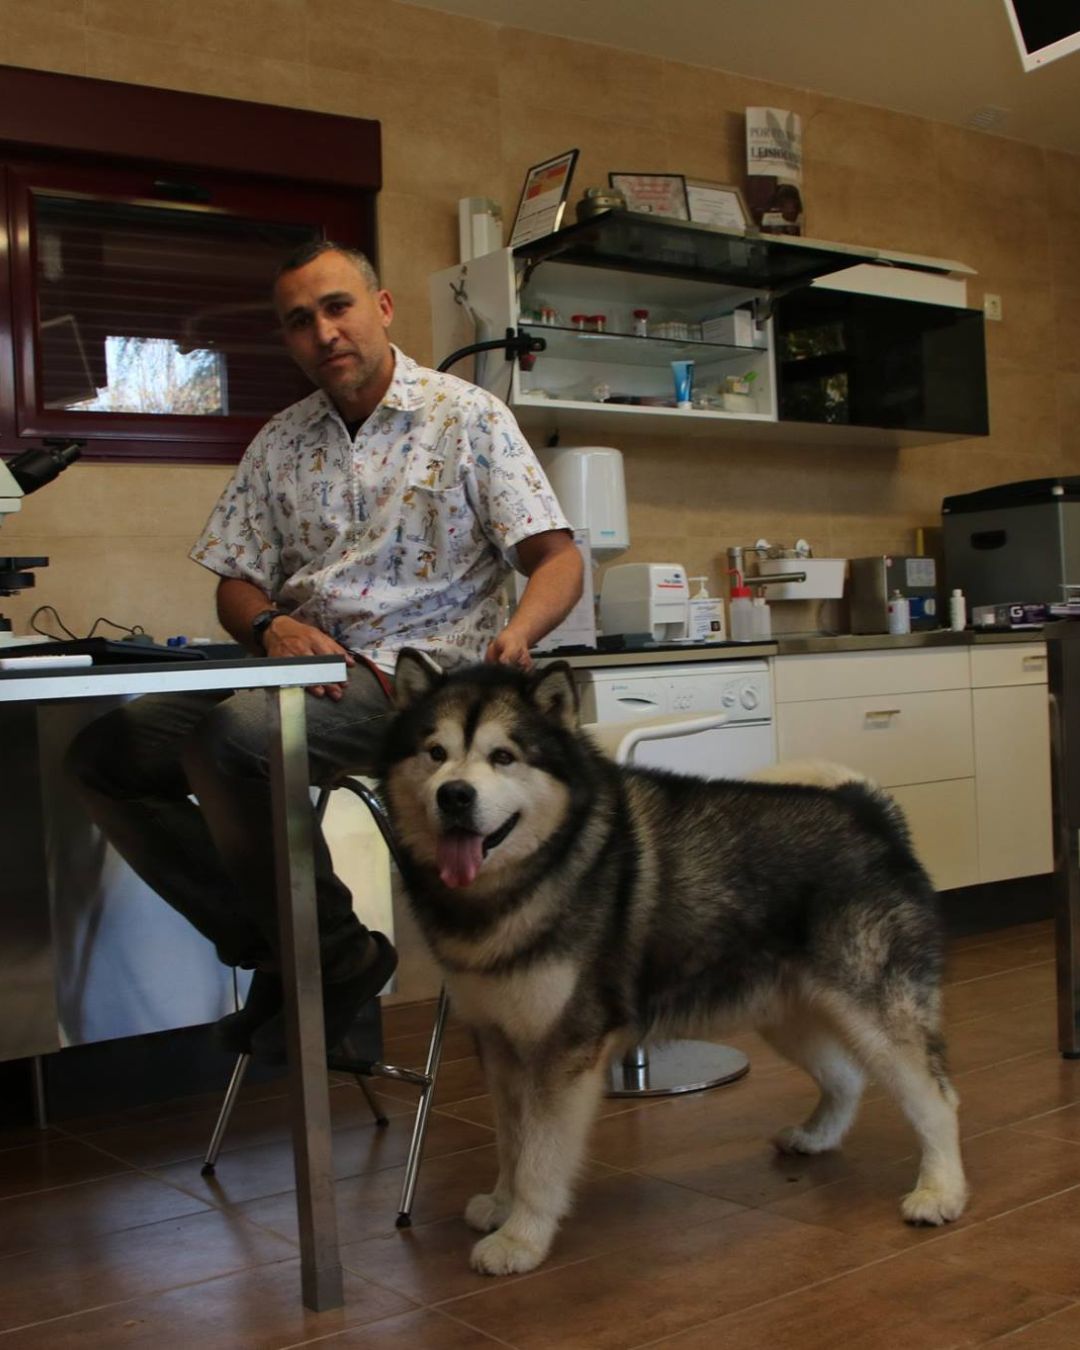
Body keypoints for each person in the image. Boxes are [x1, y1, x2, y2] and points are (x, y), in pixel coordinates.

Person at [66, 240, 582, 1061]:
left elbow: (557, 557)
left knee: (236, 741)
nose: (324, 332)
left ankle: (320, 955)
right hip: (295, 665)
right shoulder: (281, 442)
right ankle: (301, 951)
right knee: (106, 753)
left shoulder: (467, 418)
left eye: (337, 307)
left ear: (380, 308)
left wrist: (519, 633)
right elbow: (234, 584)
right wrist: (269, 623)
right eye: (300, 321)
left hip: (421, 681)